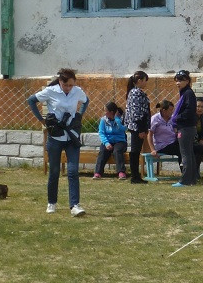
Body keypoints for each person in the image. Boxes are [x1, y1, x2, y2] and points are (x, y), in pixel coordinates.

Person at [27, 68, 89, 217]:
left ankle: (75, 205)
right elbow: (31, 100)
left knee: (73, 171)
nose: (69, 88)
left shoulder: (77, 91)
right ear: (60, 82)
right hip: (55, 137)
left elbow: (86, 101)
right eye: (66, 85)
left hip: (72, 137)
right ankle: (51, 202)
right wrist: (42, 120)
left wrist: (79, 115)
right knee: (54, 171)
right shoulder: (50, 91)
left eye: (71, 85)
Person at [171, 70, 198, 187]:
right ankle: (192, 178)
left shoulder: (188, 94)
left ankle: (185, 180)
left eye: (180, 80)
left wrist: (177, 118)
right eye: (176, 80)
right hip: (188, 127)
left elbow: (189, 111)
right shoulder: (185, 93)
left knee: (185, 154)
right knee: (189, 153)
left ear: (187, 81)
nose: (178, 83)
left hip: (186, 128)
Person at [124, 71, 151, 184]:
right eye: (145, 80)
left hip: (137, 126)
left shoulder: (134, 92)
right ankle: (135, 176)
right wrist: (141, 129)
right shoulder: (136, 93)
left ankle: (136, 175)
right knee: (135, 151)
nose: (145, 83)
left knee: (136, 151)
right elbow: (137, 112)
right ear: (140, 80)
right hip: (137, 127)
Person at [93, 102, 128, 180]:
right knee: (102, 152)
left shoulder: (121, 119)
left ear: (111, 112)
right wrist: (106, 143)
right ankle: (98, 172)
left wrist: (117, 121)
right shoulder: (103, 120)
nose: (104, 113)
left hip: (120, 141)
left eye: (106, 111)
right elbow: (101, 133)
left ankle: (121, 172)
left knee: (117, 151)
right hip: (108, 141)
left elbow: (124, 129)